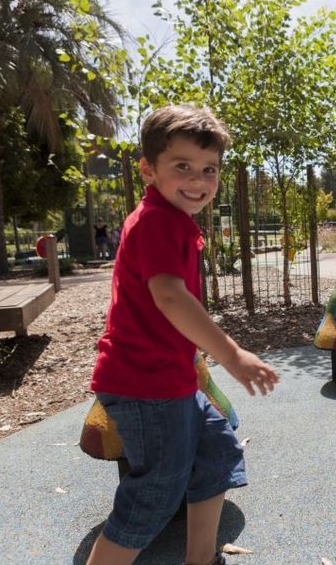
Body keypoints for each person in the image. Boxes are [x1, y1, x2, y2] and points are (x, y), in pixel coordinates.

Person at [86, 105, 279, 565]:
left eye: (208, 169)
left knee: (216, 451)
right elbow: (169, 297)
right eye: (182, 166)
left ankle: (200, 559)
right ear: (148, 169)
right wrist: (231, 354)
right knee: (153, 494)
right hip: (144, 386)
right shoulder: (156, 220)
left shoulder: (172, 220)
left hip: (169, 379)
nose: (198, 179)